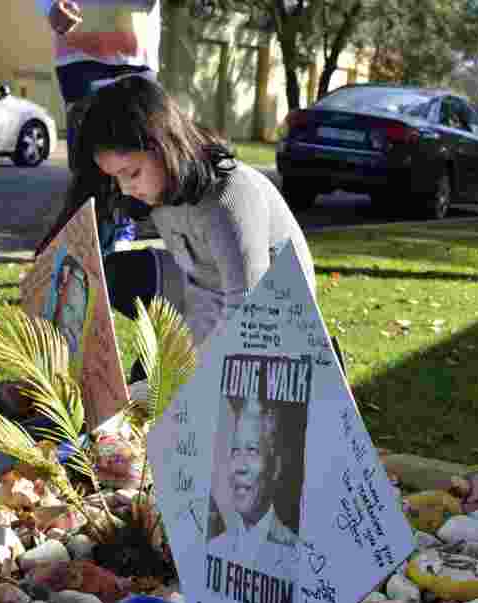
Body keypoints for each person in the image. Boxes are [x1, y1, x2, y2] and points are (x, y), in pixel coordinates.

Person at [65, 75, 317, 365]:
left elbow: (247, 311)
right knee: (113, 274)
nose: (125, 188)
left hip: (274, 324)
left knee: (158, 394)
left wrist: (184, 376)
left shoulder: (228, 196)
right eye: (115, 177)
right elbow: (201, 287)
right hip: (208, 297)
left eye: (132, 173)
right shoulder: (162, 189)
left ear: (164, 146)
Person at [34, 0, 161, 257]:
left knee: (139, 157)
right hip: (79, 53)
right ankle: (76, 256)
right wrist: (47, 5)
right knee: (90, 168)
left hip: (138, 52)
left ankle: (119, 243)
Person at [207, 395, 300, 579]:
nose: (240, 467)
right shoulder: (213, 550)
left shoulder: (297, 556)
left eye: (252, 451)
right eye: (234, 451)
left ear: (275, 467)